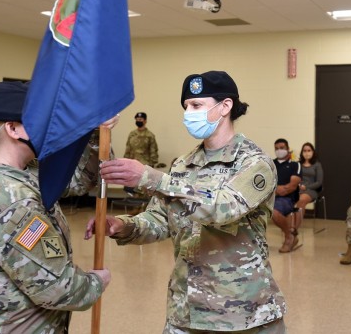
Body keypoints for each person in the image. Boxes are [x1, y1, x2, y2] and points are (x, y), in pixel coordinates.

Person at [85, 70, 287, 333]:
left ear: (225, 106)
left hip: (241, 313)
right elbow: (160, 220)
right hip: (186, 309)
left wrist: (151, 178)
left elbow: (221, 208)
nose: (188, 113)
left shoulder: (254, 163)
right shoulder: (183, 164)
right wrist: (122, 226)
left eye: (196, 105)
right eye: (186, 107)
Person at [0, 81, 110, 332]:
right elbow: (57, 289)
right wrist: (96, 281)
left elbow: (80, 180)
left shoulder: (15, 173)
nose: (51, 126)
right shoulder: (11, 200)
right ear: (13, 128)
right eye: (42, 119)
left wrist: (96, 130)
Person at [271, 138, 301, 253]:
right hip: (270, 197)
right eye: (277, 149)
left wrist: (276, 189)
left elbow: (292, 186)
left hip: (287, 199)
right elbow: (265, 185)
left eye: (282, 148)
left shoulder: (295, 165)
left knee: (273, 211)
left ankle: (289, 236)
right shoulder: (271, 164)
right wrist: (275, 190)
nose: (279, 150)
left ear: (288, 149)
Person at [294, 142, 323, 232]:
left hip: (311, 190)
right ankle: (289, 226)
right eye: (305, 150)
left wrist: (306, 187)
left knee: (301, 200)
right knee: (287, 199)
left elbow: (319, 182)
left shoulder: (317, 165)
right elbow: (294, 177)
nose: (307, 153)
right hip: (298, 189)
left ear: (313, 152)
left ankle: (294, 229)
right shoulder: (298, 164)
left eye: (309, 150)